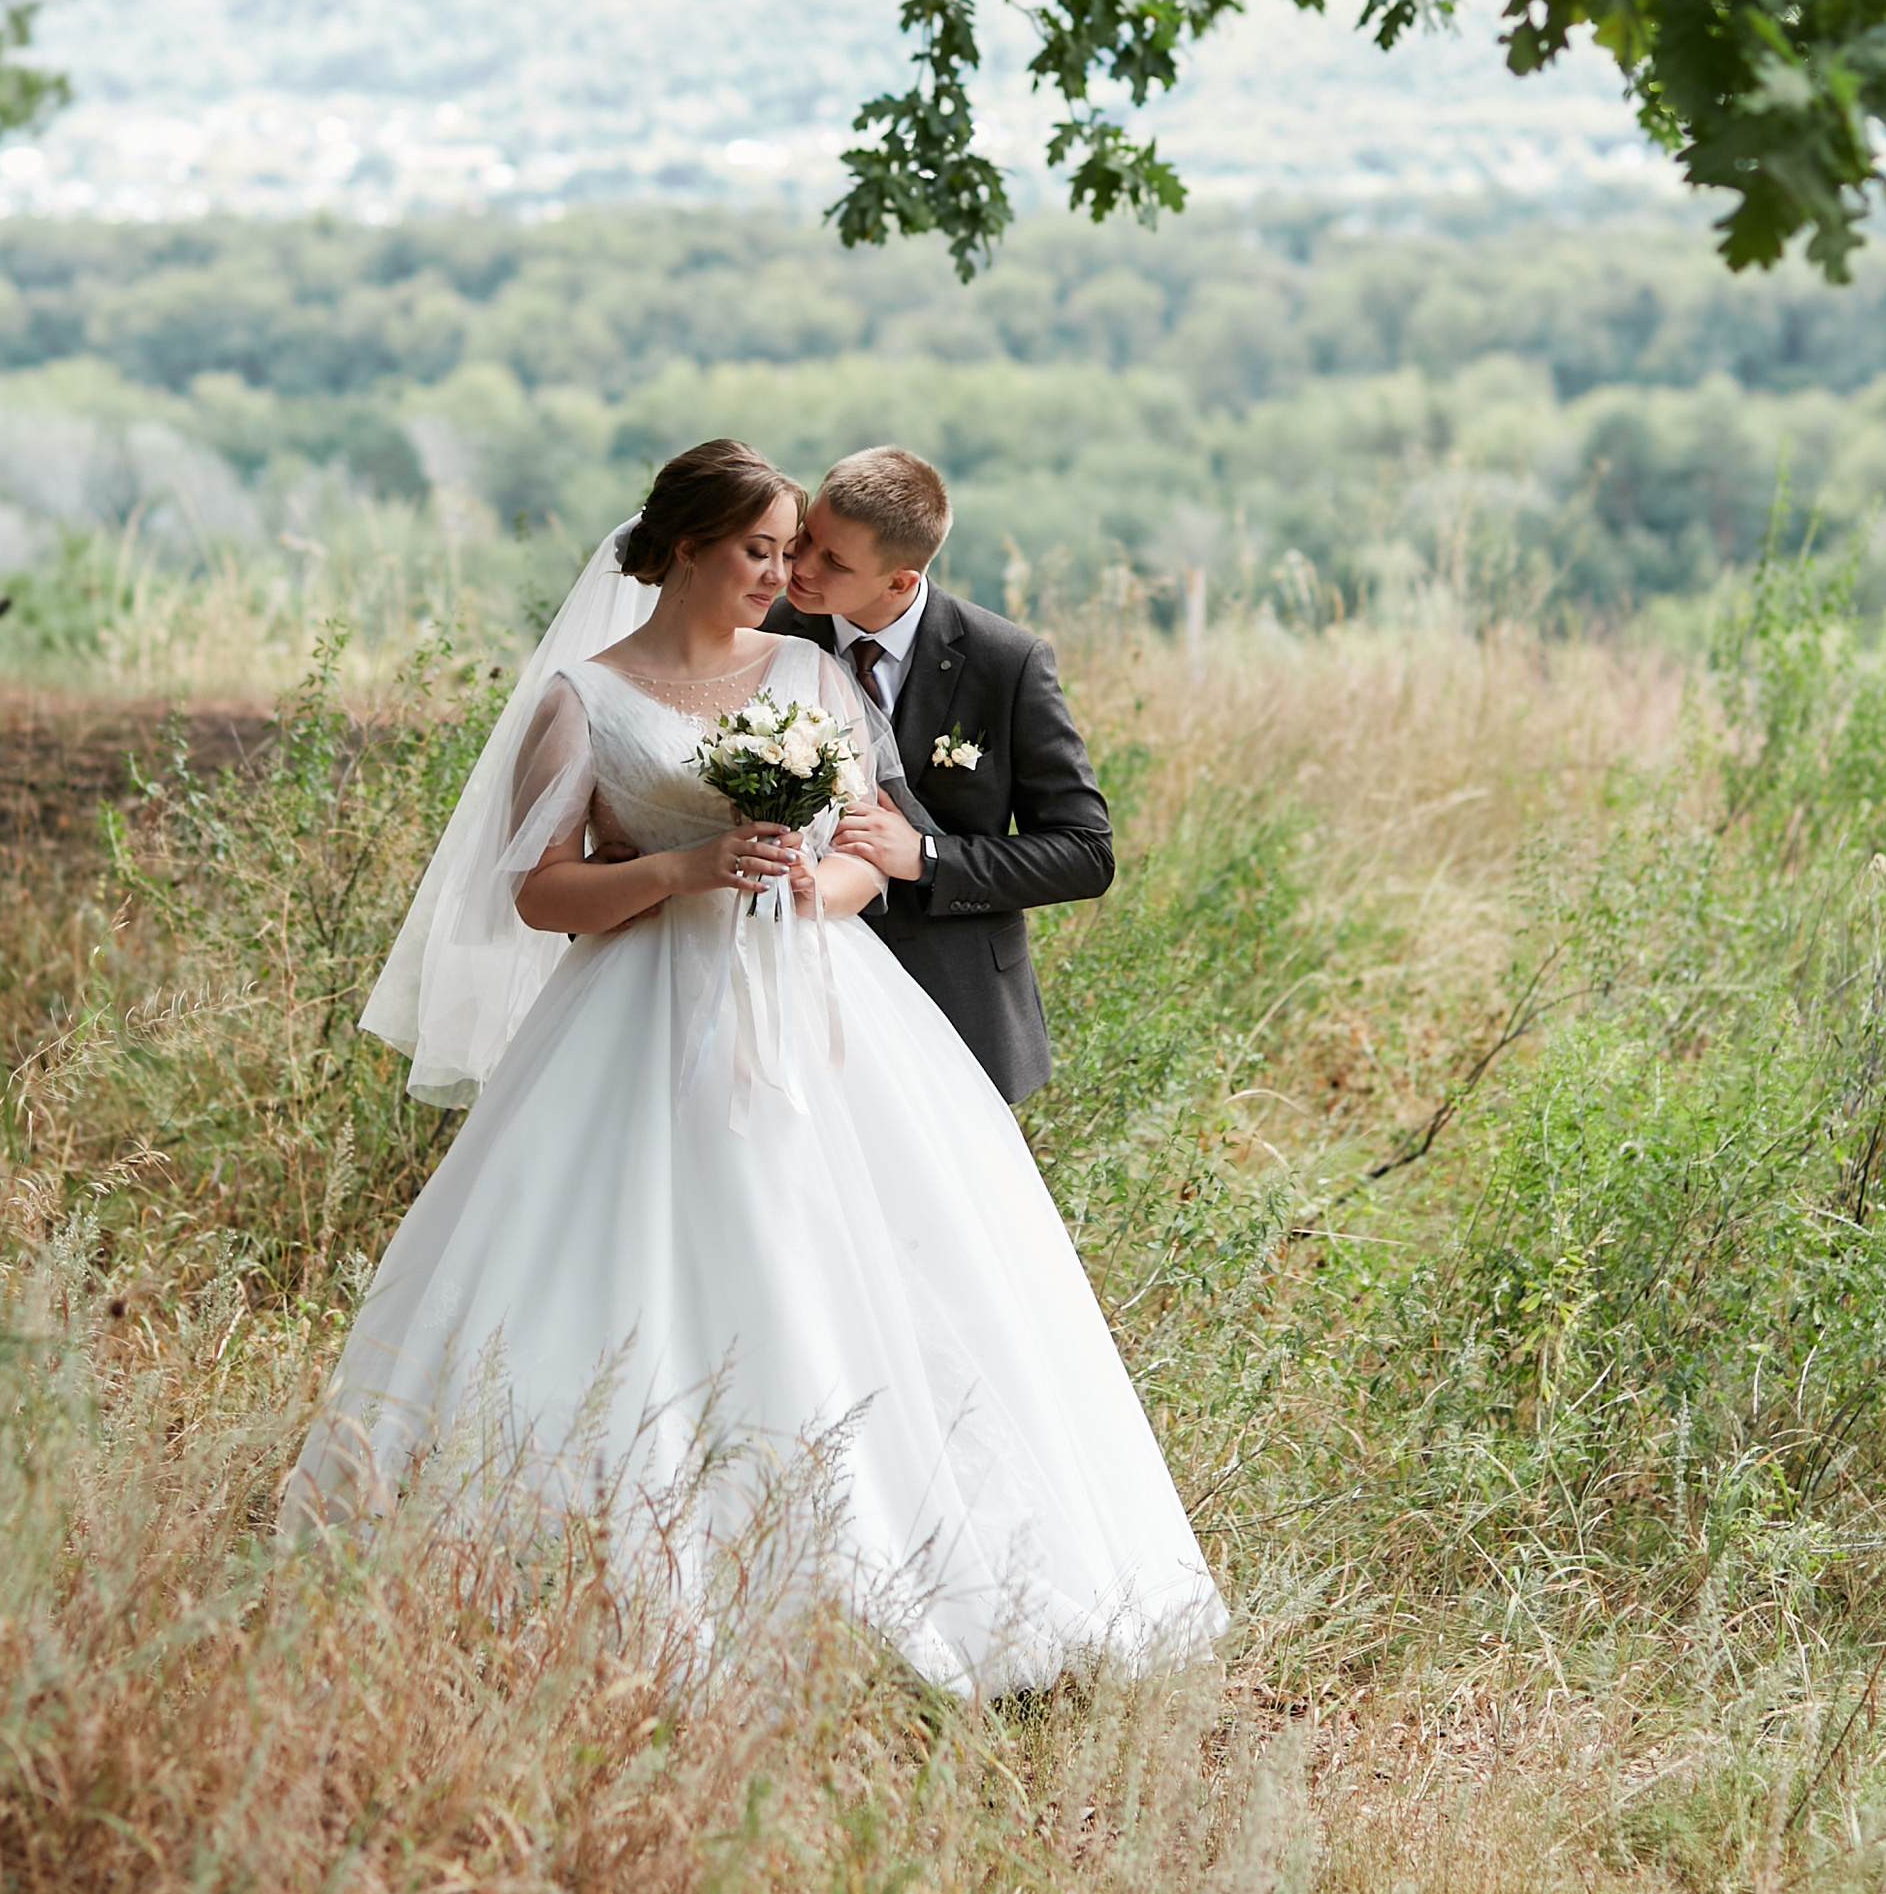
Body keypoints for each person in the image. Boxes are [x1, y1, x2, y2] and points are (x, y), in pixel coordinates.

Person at [280, 439, 1221, 1693]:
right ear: (681, 549)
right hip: (636, 1013)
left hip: (824, 1006)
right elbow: (538, 895)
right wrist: (677, 872)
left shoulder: (807, 676)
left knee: (872, 1267)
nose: (781, 577)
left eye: (795, 554)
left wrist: (812, 884)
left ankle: (887, 1559)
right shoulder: (583, 698)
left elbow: (866, 854)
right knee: (626, 1267)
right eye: (761, 551)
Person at [774, 447, 1112, 1106]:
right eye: (806, 538)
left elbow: (1084, 853)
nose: (802, 567)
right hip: (798, 995)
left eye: (834, 561)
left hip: (956, 1007)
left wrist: (927, 857)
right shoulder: (763, 634)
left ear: (899, 581)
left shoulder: (1005, 662)